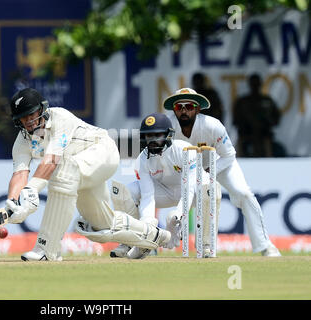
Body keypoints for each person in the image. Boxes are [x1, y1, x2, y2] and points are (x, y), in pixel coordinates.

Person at [5, 87, 171, 261]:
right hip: (78, 170)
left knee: (63, 172)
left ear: (42, 109)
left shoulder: (59, 117)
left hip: (102, 151)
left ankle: (47, 250)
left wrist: (32, 189)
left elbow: (52, 159)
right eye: (24, 117)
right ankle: (155, 236)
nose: (29, 120)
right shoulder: (22, 142)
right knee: (102, 225)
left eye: (32, 114)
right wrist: (14, 201)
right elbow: (19, 173)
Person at [163, 87, 281, 257]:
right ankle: (195, 245)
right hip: (186, 168)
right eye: (179, 107)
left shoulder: (211, 125)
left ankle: (265, 246)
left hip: (219, 163)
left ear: (197, 109)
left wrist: (209, 172)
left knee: (244, 194)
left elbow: (229, 155)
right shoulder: (168, 128)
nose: (183, 111)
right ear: (174, 110)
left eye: (188, 106)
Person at [109, 113, 222, 259]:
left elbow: (190, 188)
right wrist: (147, 228)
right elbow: (148, 196)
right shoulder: (143, 159)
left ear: (168, 135)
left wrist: (176, 216)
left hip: (194, 193)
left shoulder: (185, 150)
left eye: (157, 135)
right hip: (164, 192)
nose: (153, 141)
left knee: (211, 190)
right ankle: (130, 241)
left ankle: (206, 245)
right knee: (126, 191)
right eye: (149, 136)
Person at [233, 74, 282, 157]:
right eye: (253, 84)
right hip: (246, 135)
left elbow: (276, 119)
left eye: (257, 83)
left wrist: (263, 123)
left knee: (267, 143)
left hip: (264, 136)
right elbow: (236, 120)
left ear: (260, 84)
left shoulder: (267, 101)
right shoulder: (242, 101)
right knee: (240, 145)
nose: (255, 86)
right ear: (249, 85)